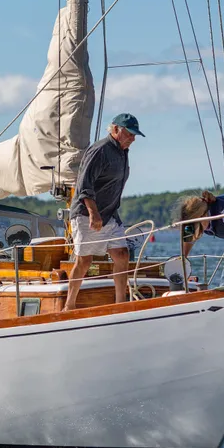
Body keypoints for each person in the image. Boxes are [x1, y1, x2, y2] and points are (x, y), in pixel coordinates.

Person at [63, 113, 145, 311]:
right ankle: (69, 306)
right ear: (116, 129)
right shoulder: (100, 150)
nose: (133, 139)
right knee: (84, 261)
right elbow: (84, 185)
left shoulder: (122, 151)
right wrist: (93, 213)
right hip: (87, 214)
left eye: (134, 135)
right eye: (130, 134)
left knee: (122, 255)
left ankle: (120, 304)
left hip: (110, 215)